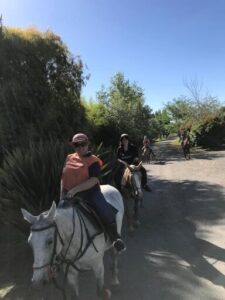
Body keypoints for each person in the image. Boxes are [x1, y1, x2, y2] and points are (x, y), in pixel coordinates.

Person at [59, 133, 126, 253]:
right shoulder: (69, 157)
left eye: (83, 144)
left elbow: (94, 180)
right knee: (57, 217)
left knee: (104, 211)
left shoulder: (93, 161)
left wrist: (75, 190)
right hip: (69, 194)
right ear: (73, 146)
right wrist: (62, 195)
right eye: (76, 145)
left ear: (87, 144)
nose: (80, 148)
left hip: (90, 193)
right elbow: (64, 178)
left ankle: (115, 238)